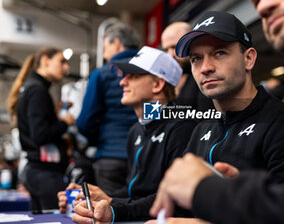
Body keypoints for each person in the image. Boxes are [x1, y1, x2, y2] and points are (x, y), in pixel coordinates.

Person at [150, 0, 284, 223]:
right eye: (196, 59)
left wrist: (216, 194)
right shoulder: (200, 130)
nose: (205, 67)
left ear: (249, 59)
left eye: (219, 53)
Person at [60, 46, 197, 222]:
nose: (122, 82)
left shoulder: (182, 129)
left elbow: (171, 199)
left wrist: (114, 206)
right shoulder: (137, 130)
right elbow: (133, 190)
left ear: (157, 84)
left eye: (133, 76)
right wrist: (102, 197)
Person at [7, 47, 75, 212]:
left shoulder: (32, 87)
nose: (66, 68)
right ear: (45, 60)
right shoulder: (38, 89)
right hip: (45, 173)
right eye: (62, 62)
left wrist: (55, 116)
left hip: (38, 172)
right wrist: (65, 122)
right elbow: (40, 134)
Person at [76, 22, 140, 195]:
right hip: (144, 156)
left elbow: (85, 122)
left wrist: (101, 140)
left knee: (111, 212)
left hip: (111, 156)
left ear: (116, 43)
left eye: (105, 48)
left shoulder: (102, 73)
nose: (104, 55)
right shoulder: (150, 70)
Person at [161, 22, 214, 111]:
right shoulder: (167, 80)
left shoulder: (207, 73)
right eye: (166, 49)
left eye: (175, 47)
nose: (170, 55)